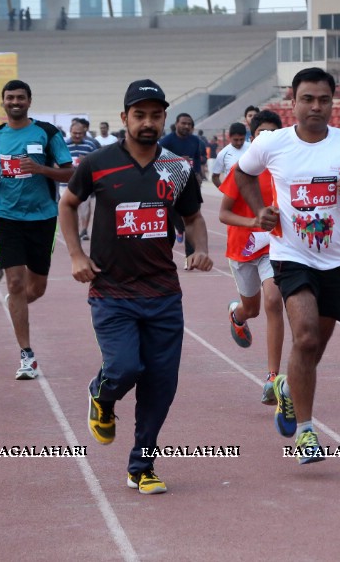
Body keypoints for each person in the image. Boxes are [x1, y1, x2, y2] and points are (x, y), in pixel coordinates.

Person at [59, 78, 212, 495]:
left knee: (161, 384)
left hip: (163, 292)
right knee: (126, 368)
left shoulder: (177, 167)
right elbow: (68, 204)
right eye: (139, 114)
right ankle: (102, 394)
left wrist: (199, 248)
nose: (148, 122)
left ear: (164, 118)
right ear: (124, 117)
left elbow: (193, 217)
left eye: (155, 115)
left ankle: (141, 464)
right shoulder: (97, 163)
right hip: (112, 292)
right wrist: (76, 255)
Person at [234, 67, 340, 464]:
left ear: (333, 102)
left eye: (323, 99)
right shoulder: (273, 143)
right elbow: (243, 174)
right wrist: (260, 211)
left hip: (336, 260)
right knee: (303, 338)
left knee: (312, 348)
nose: (316, 107)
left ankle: (288, 389)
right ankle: (306, 432)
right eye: (308, 99)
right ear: (293, 101)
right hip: (290, 256)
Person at [0, 79, 74, 380]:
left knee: (37, 288)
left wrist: (41, 169)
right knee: (16, 283)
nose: (15, 102)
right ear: (3, 102)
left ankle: (15, 302)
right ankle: (27, 355)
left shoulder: (47, 133)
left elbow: (70, 172)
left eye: (20, 97)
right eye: (10, 98)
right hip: (5, 215)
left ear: (29, 101)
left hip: (42, 216)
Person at [219, 109, 286, 404]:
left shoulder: (286, 168)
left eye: (273, 134)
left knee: (274, 301)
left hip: (273, 248)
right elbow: (223, 213)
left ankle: (272, 377)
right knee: (253, 309)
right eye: (261, 134)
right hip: (242, 248)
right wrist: (254, 222)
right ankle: (237, 314)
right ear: (252, 137)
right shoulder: (242, 170)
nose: (267, 139)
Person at [158, 113, 206, 256]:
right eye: (183, 123)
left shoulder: (195, 141)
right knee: (173, 215)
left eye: (189, 124)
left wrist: (198, 174)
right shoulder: (166, 141)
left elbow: (197, 159)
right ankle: (178, 229)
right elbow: (158, 160)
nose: (186, 126)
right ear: (177, 123)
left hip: (190, 184)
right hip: (170, 183)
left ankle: (189, 256)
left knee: (191, 217)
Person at [64, 120, 98, 240]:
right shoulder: (64, 145)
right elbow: (56, 162)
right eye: (75, 133)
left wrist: (87, 161)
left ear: (84, 132)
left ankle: (84, 230)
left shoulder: (90, 145)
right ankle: (73, 231)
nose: (77, 135)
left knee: (85, 208)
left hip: (84, 183)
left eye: (80, 133)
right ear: (70, 132)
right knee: (69, 208)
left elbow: (98, 161)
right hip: (66, 183)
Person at [210, 122, 248, 188]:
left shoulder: (252, 148)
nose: (239, 143)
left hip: (251, 192)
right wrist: (225, 191)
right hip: (233, 192)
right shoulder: (223, 153)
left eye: (242, 139)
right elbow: (215, 177)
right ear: (229, 137)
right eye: (236, 140)